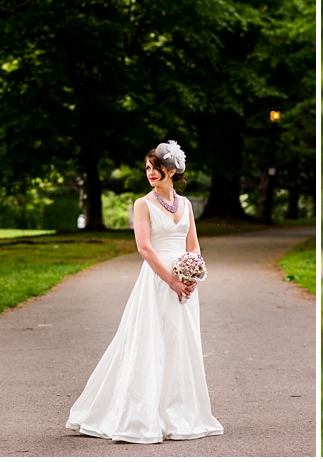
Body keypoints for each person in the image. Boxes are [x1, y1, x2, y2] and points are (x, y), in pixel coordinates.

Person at [67, 141, 224, 443]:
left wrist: (193, 273)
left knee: (181, 343)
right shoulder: (143, 204)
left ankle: (179, 413)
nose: (151, 173)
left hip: (185, 282)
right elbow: (145, 248)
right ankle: (141, 414)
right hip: (157, 281)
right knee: (151, 343)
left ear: (172, 170)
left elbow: (193, 245)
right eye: (148, 169)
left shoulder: (186, 204)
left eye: (156, 168)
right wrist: (172, 280)